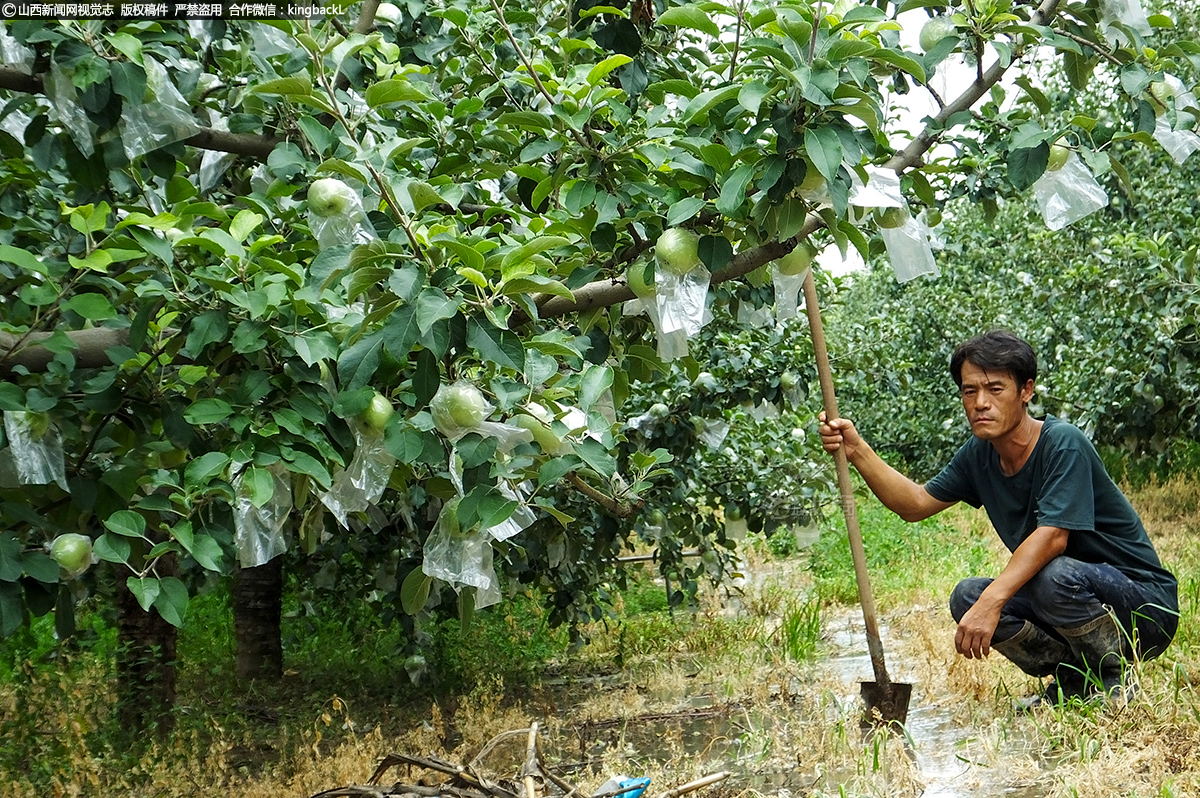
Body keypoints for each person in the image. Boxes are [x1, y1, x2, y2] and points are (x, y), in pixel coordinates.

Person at [818, 329, 1178, 706]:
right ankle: (1073, 679)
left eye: (995, 389)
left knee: (1048, 579)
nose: (980, 403)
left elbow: (1054, 537)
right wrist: (857, 450)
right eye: (969, 391)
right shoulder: (980, 454)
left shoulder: (1062, 442)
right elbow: (915, 503)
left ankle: (1112, 678)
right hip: (1067, 593)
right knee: (967, 597)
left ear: (1026, 391)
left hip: (1145, 609)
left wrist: (993, 602)